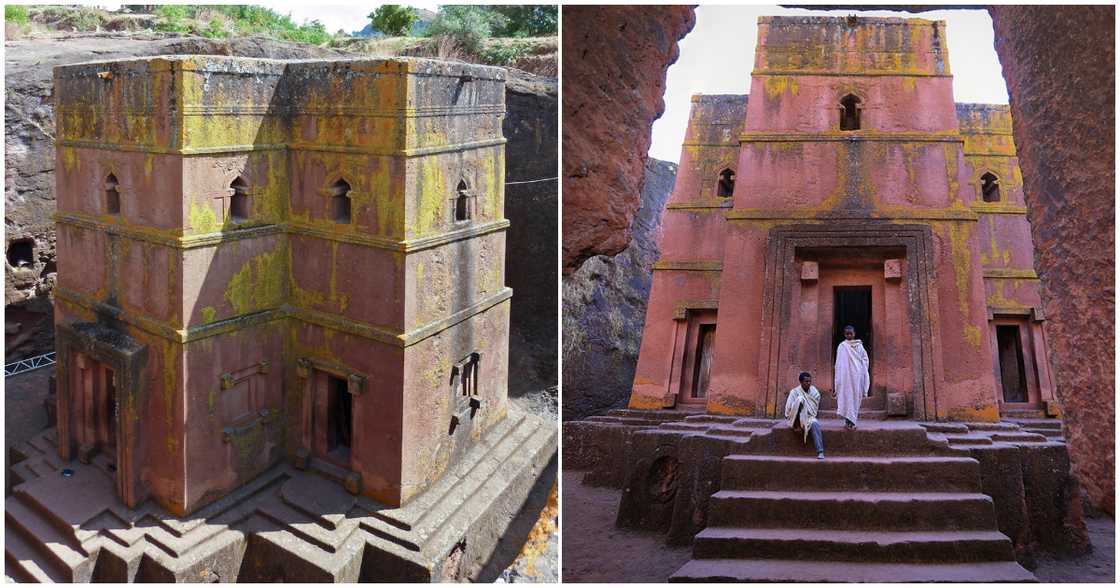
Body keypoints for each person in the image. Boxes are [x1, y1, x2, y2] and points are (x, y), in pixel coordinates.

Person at [834, 325, 870, 430]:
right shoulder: (842, 346)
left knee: (855, 398)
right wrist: (839, 377)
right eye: (847, 334)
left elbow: (865, 358)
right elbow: (838, 363)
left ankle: (852, 421)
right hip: (845, 377)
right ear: (844, 334)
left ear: (854, 334)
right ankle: (848, 422)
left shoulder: (859, 346)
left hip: (857, 377)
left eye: (851, 333)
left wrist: (861, 368)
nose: (849, 335)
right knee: (847, 398)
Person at [785, 371, 824, 459]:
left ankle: (820, 451)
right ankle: (797, 426)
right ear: (801, 382)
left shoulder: (814, 392)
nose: (808, 383)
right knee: (800, 399)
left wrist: (805, 413)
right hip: (795, 418)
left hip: (809, 417)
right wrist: (797, 421)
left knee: (815, 423)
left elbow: (814, 408)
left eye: (810, 381)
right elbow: (788, 410)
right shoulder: (794, 392)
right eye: (806, 381)